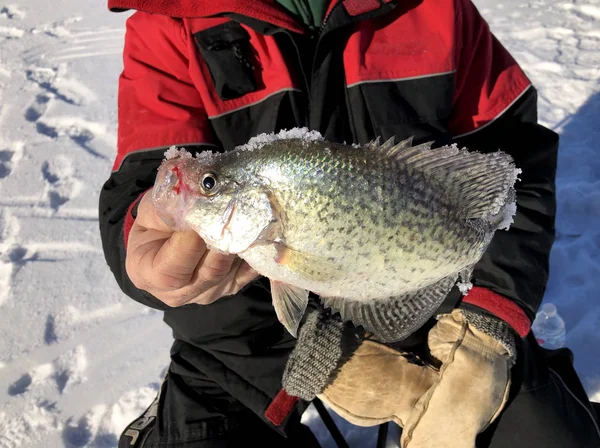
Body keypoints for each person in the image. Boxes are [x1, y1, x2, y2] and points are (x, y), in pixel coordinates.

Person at [99, 0, 600, 446]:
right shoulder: (170, 22)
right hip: (243, 346)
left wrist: (490, 318)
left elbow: (515, 175)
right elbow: (140, 192)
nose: (193, 191)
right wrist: (145, 249)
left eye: (209, 187)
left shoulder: (440, 9)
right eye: (211, 185)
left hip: (439, 314)